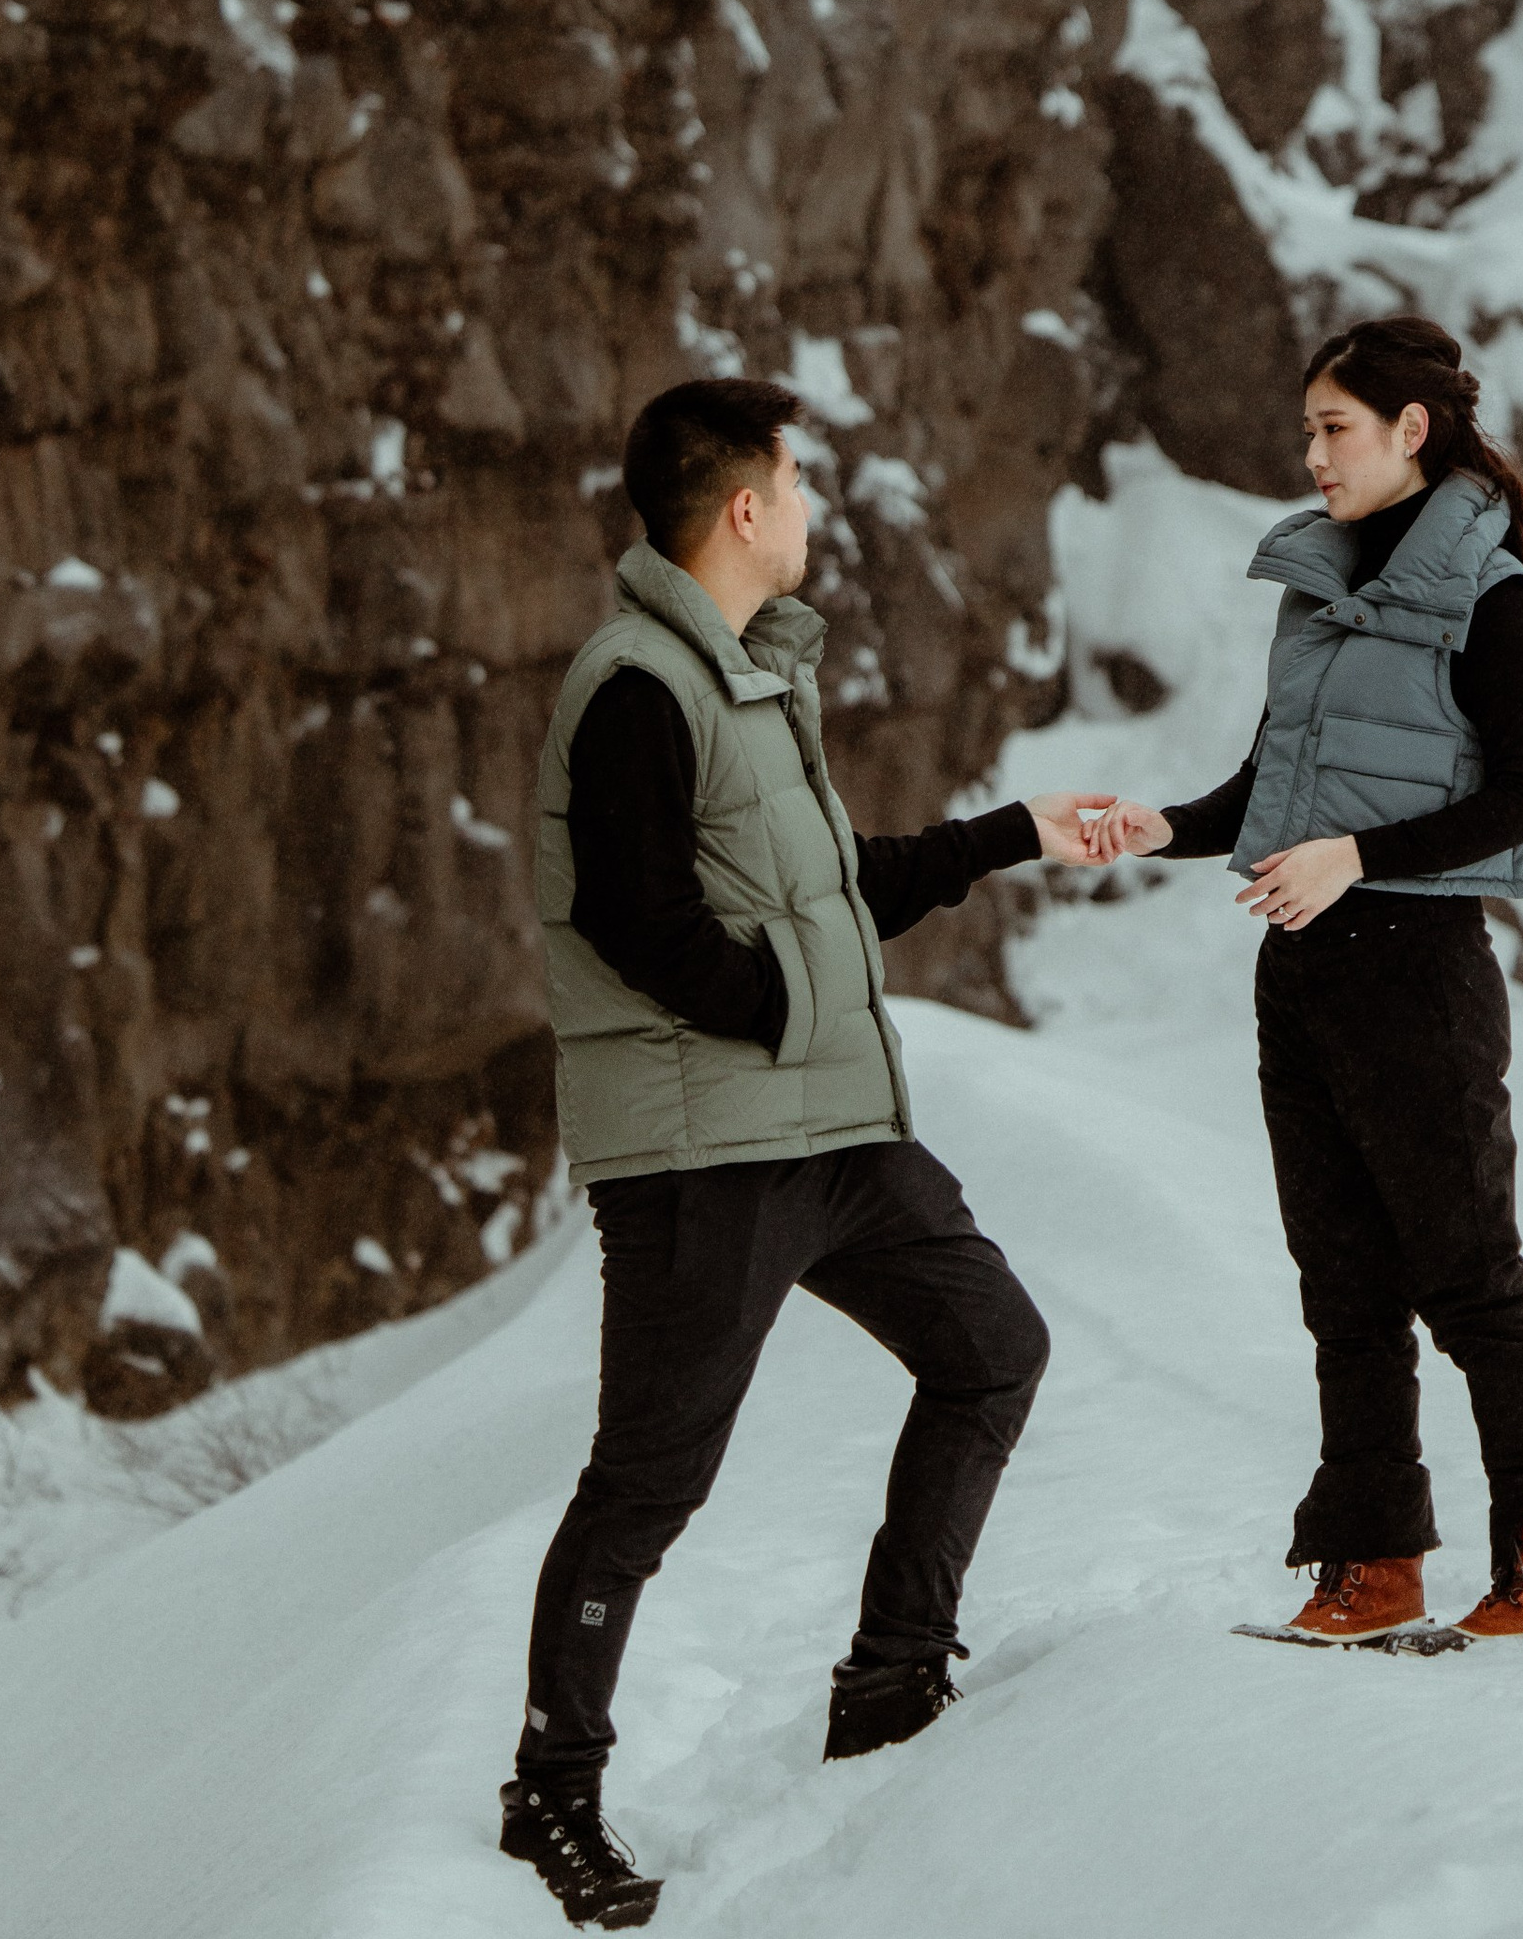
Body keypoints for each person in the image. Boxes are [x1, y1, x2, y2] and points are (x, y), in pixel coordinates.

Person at [501, 374, 1105, 1928]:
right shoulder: (636, 684)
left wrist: (1009, 832)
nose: (816, 507)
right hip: (709, 1155)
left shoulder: (749, 681)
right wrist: (777, 1001)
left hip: (832, 1131)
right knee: (647, 1483)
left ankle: (891, 1681)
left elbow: (836, 889)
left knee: (992, 1345)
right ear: (747, 505)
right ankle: (552, 1791)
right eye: (800, 479)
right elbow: (633, 918)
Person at [1085, 312, 1523, 1651]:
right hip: (1306, 971)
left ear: (1412, 429)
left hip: (1420, 970)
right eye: (1305, 431)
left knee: (1469, 1281)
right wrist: (1167, 823)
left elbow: (1522, 799)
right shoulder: (1319, 589)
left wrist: (1356, 857)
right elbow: (1273, 790)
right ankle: (1372, 1566)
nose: (1312, 454)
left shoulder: (1494, 592)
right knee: (1341, 1284)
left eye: (1332, 428)